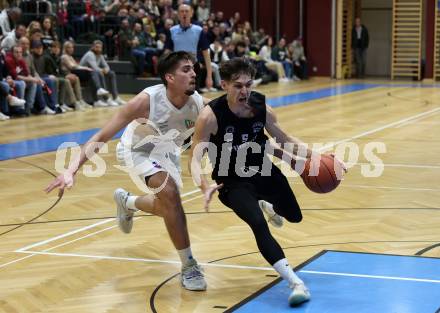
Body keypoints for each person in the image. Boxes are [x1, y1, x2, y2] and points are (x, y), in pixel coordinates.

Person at [45, 51, 211, 291]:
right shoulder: (145, 102)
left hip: (167, 154)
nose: (194, 73)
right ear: (169, 77)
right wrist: (71, 169)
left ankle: (127, 202)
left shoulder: (198, 102)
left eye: (193, 68)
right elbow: (102, 136)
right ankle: (189, 265)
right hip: (137, 151)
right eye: (186, 69)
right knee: (171, 195)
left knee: (167, 206)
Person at [189, 58, 346, 306]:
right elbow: (195, 158)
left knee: (294, 216)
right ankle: (295, 282)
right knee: (258, 224)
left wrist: (322, 158)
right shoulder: (209, 116)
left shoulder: (261, 107)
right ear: (224, 85)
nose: (244, 91)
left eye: (248, 85)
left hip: (262, 170)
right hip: (231, 182)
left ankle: (268, 205)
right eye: (238, 86)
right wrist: (203, 184)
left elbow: (284, 139)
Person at [164, 3, 213, 93]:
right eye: (182, 11)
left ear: (191, 13)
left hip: (194, 68)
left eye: (187, 11)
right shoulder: (172, 31)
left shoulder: (199, 30)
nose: (184, 14)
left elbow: (206, 54)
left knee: (193, 96)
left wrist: (209, 77)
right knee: (177, 95)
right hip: (176, 68)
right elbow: (167, 53)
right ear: (178, 14)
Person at [79, 40, 126, 107]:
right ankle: (106, 98)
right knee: (99, 73)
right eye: (96, 47)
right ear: (92, 47)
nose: (98, 49)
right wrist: (103, 70)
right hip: (83, 75)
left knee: (111, 73)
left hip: (93, 74)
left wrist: (106, 70)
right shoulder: (90, 54)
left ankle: (115, 97)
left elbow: (106, 66)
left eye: (100, 47)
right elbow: (94, 67)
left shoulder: (100, 55)